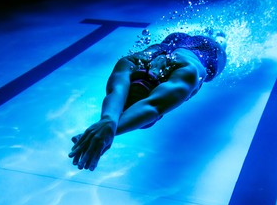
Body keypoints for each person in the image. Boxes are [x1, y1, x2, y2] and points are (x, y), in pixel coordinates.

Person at [69, 29, 227, 171]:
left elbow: (117, 91)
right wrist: (109, 127)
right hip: (209, 53)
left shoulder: (133, 62)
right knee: (217, 45)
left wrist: (108, 122)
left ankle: (212, 34)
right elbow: (153, 106)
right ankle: (219, 38)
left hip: (174, 40)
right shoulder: (189, 73)